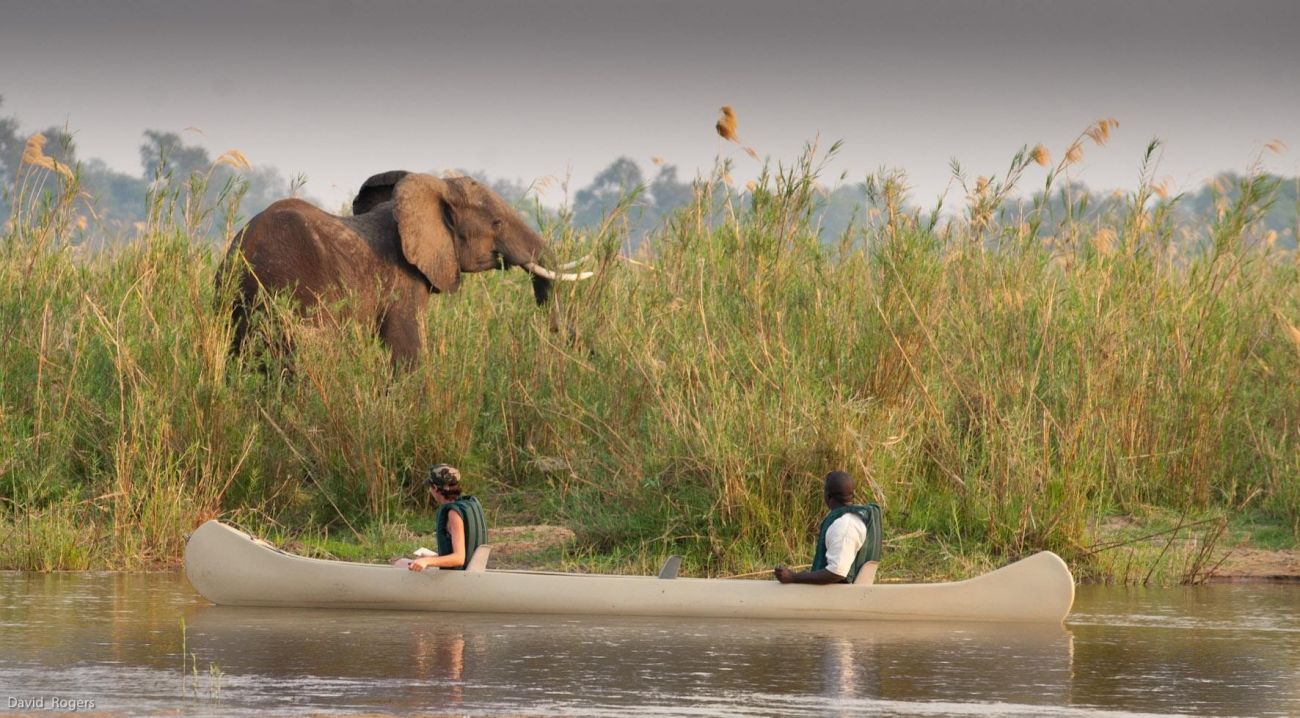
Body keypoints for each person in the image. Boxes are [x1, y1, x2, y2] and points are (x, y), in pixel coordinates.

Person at [774, 470, 882, 585]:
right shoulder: (858, 517)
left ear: (828, 496)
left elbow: (836, 572)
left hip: (841, 597)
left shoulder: (844, 526)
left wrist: (793, 577)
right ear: (852, 495)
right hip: (856, 594)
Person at [407, 464, 488, 572]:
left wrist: (427, 561)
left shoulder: (453, 513)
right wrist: (433, 557)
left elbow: (459, 558)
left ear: (435, 488)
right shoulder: (469, 504)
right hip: (471, 572)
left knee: (400, 563)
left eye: (430, 488)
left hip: (457, 578)